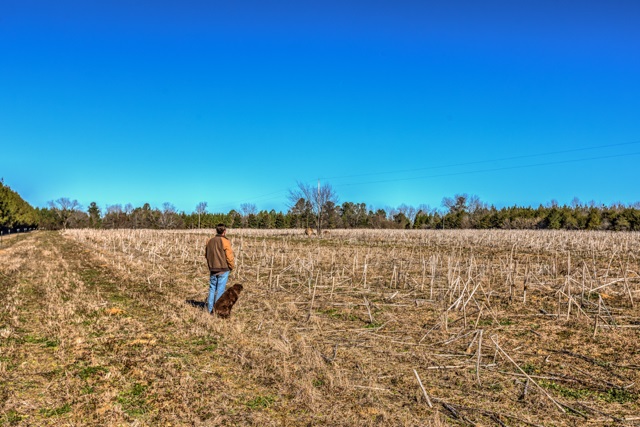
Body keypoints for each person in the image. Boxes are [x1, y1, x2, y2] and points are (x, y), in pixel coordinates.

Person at [205, 223, 235, 315]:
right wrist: (231, 266)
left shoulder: (209, 241)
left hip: (213, 269)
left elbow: (206, 255)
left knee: (212, 289)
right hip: (223, 269)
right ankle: (216, 311)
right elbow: (229, 256)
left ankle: (209, 310)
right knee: (220, 290)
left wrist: (211, 265)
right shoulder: (225, 241)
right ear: (224, 231)